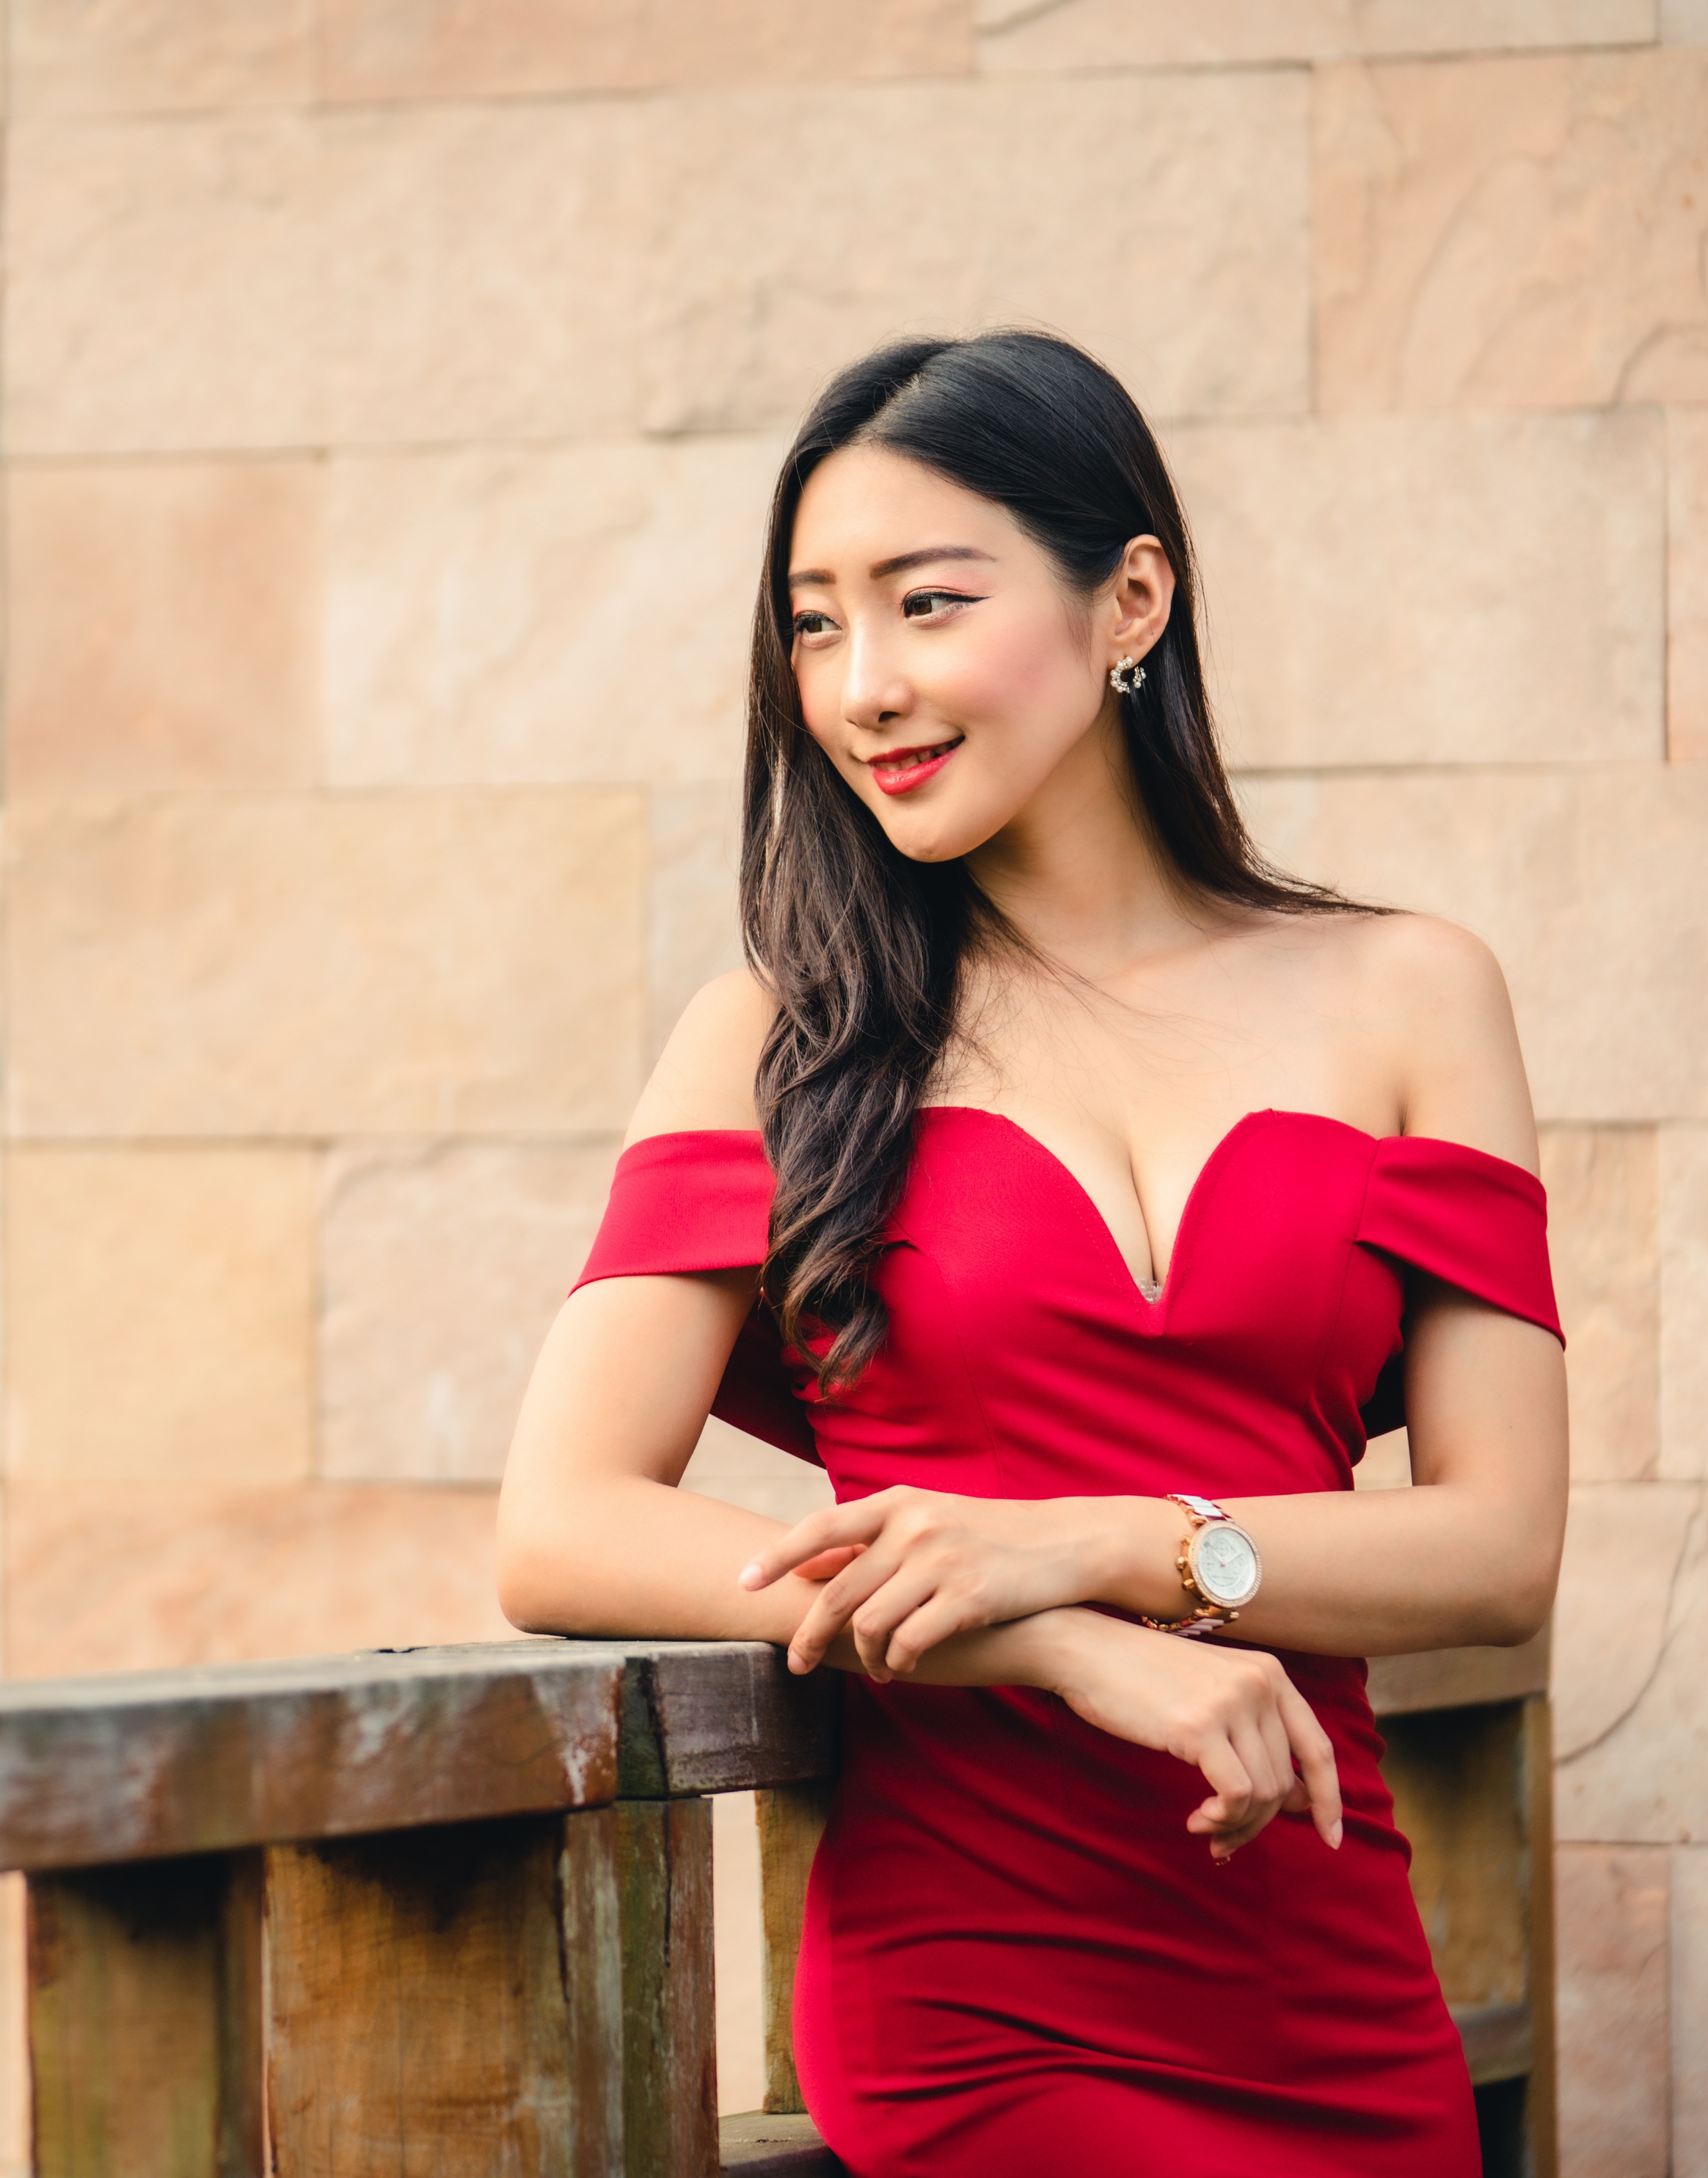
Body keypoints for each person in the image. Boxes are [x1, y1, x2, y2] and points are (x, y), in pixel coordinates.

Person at [493, 332, 1567, 2176]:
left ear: (1128, 593)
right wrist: (1063, 1643)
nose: (865, 685)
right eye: (814, 624)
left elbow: (1496, 1548)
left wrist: (1096, 1540)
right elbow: (561, 1522)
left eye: (925, 604)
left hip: (1331, 1978)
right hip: (983, 2000)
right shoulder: (775, 1038)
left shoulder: (1411, 991)